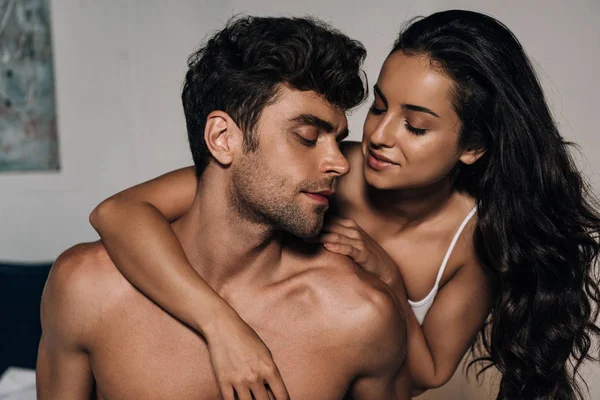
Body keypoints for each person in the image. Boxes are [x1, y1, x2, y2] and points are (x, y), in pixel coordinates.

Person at [89, 9, 600, 400]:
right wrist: (221, 325)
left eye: (415, 126)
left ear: (472, 147)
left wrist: (388, 275)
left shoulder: (479, 236)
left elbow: (427, 373)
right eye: (379, 106)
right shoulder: (321, 167)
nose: (379, 134)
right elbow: (118, 212)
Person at [36, 16, 410, 400]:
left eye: (337, 139)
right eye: (308, 137)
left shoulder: (359, 315)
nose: (340, 163)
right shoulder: (86, 288)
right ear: (222, 138)